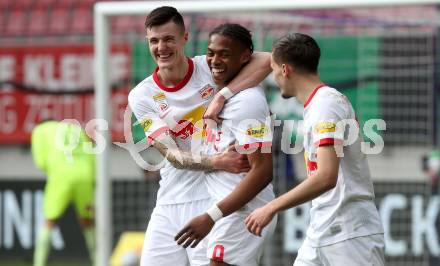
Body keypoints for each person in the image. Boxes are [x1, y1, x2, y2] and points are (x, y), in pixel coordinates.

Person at [128, 6, 271, 266]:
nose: (162, 47)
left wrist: (222, 95)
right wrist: (216, 161)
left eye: (169, 39)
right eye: (154, 40)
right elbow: (171, 153)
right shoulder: (142, 95)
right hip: (169, 202)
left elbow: (269, 59)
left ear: (184, 38)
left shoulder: (210, 66)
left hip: (211, 200)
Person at [244, 33, 385, 266]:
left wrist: (271, 207)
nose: (273, 76)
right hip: (322, 229)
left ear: (285, 70)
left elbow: (326, 177)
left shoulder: (325, 105)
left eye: (273, 69)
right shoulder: (318, 104)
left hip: (349, 234)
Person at [174, 23, 276, 266]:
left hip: (241, 214)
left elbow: (262, 171)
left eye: (225, 54)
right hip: (225, 211)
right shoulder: (221, 92)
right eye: (211, 53)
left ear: (244, 57)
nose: (215, 60)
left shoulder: (248, 102)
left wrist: (211, 216)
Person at [31, 120, 95, 266]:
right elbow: (90, 152)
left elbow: (40, 161)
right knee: (88, 221)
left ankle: (38, 263)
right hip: (85, 175)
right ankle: (99, 260)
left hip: (61, 176)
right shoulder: (74, 128)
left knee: (49, 221)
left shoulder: (40, 130)